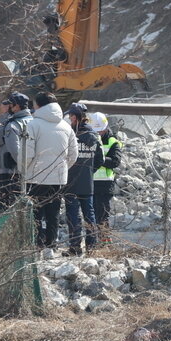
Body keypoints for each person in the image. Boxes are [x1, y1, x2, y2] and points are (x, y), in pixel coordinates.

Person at [21, 92, 77, 249]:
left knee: (35, 214)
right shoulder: (66, 126)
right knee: (53, 214)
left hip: (35, 177)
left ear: (38, 105)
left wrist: (23, 171)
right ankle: (51, 246)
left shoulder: (32, 125)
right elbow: (73, 155)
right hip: (57, 178)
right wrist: (62, 168)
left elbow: (27, 154)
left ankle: (37, 246)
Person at [63, 104, 104, 254]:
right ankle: (91, 247)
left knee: (73, 216)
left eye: (70, 117)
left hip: (71, 182)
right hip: (87, 183)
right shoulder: (94, 135)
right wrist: (89, 171)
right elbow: (100, 159)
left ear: (74, 117)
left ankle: (75, 248)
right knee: (89, 215)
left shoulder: (71, 135)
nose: (69, 119)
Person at [0, 92, 32, 211]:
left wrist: (5, 119)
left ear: (16, 106)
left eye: (10, 104)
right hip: (29, 169)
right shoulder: (33, 121)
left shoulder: (12, 124)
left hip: (11, 170)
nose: (7, 107)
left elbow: (11, 148)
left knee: (8, 202)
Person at [89, 111, 123, 240]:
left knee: (102, 215)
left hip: (105, 184)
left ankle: (104, 242)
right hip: (89, 182)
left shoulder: (112, 141)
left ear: (105, 127)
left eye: (100, 130)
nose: (98, 133)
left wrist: (99, 159)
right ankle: (92, 242)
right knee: (90, 215)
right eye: (96, 131)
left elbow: (115, 161)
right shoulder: (88, 139)